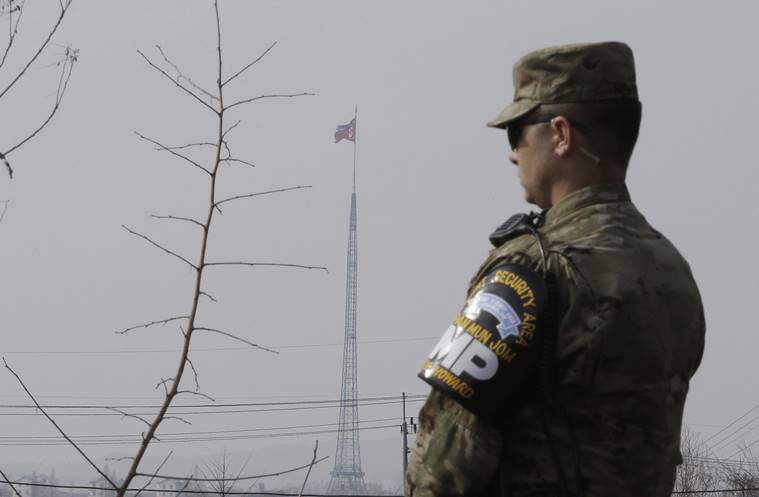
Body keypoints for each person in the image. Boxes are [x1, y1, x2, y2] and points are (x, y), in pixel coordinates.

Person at [404, 42, 705, 497]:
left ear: (561, 134)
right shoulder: (672, 270)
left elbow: (443, 464)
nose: (512, 154)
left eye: (516, 133)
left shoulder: (528, 271)